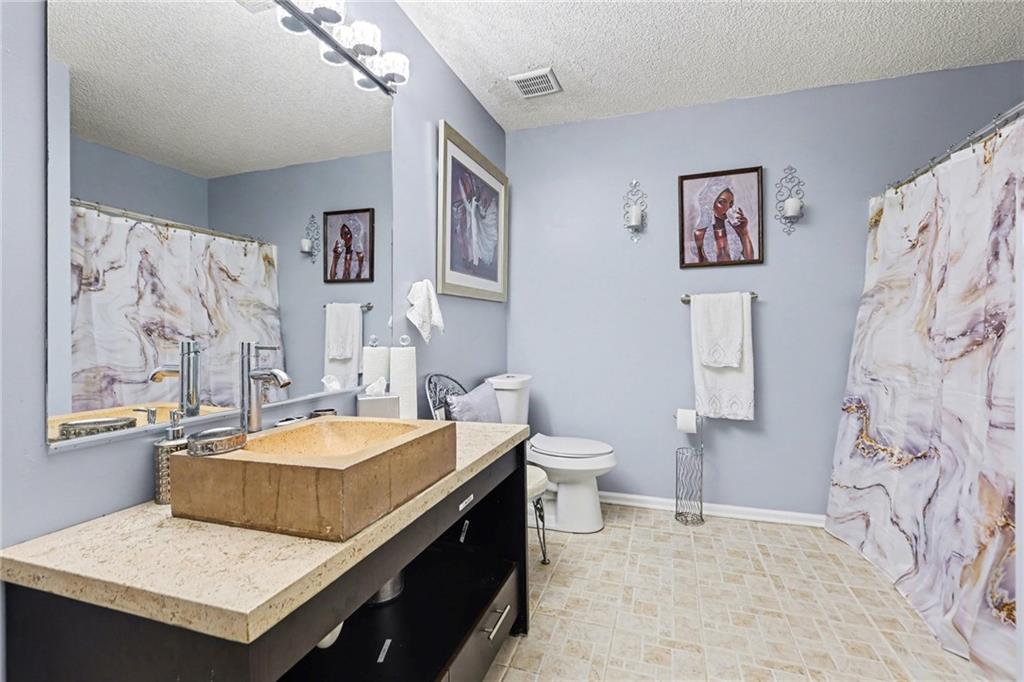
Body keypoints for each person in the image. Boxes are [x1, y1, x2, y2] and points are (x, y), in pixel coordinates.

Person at [692, 178, 754, 263]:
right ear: (711, 203)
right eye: (722, 202)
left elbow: (750, 261)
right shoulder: (700, 234)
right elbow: (701, 265)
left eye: (731, 203)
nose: (728, 207)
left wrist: (744, 232)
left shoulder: (738, 229)